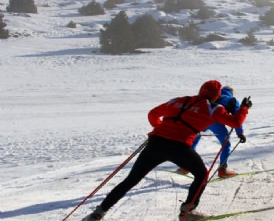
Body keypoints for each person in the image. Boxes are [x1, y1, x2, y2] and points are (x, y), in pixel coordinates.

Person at [82, 80, 252, 221]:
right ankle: (188, 212)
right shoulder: (214, 108)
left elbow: (153, 113)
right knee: (201, 175)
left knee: (131, 180)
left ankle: (99, 212)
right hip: (179, 147)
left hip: (155, 144)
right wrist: (244, 108)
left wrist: (160, 129)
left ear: (200, 90)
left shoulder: (178, 100)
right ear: (217, 96)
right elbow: (236, 123)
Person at [176, 85, 247, 178]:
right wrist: (240, 133)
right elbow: (237, 118)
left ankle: (186, 166)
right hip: (216, 123)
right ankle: (223, 170)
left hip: (201, 121)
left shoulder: (211, 96)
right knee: (226, 144)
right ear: (231, 92)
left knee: (193, 142)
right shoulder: (232, 100)